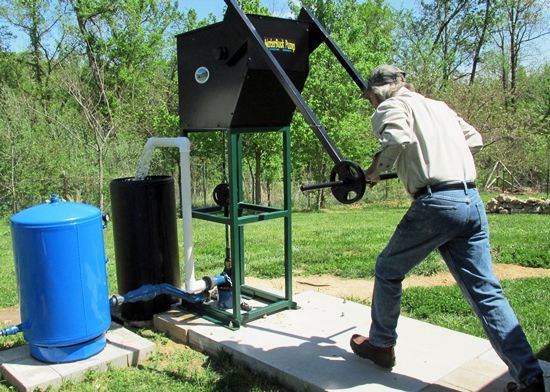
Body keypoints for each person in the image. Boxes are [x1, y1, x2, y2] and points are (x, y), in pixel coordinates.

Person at [349, 64, 546, 392]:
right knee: (486, 292)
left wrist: (374, 168)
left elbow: (396, 138)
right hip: (472, 201)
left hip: (436, 204)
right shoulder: (439, 107)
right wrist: (441, 155)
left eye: (369, 97)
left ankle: (382, 345)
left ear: (376, 92)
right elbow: (475, 140)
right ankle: (531, 377)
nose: (370, 102)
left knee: (387, 268)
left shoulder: (391, 106)